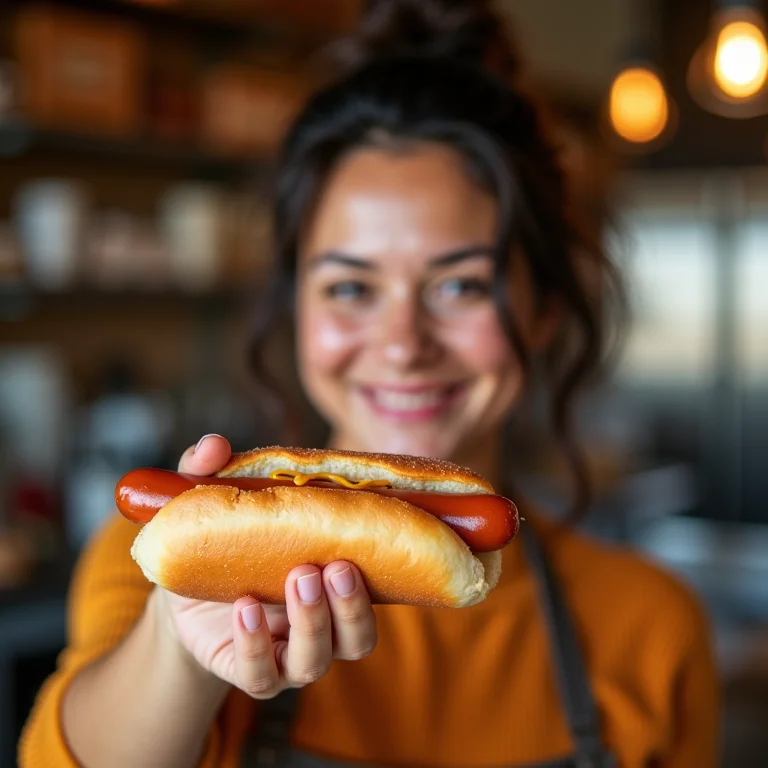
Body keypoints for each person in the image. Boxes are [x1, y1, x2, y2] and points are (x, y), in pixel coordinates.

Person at [19, 1, 719, 766]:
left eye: (460, 288)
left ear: (544, 309)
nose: (402, 345)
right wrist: (174, 644)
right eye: (351, 289)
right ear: (297, 311)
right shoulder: (154, 550)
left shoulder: (652, 625)